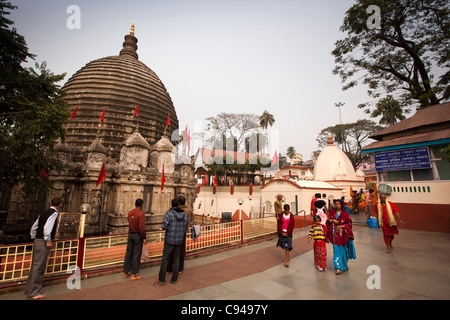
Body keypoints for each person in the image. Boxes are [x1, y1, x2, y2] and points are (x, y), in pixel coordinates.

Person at [25, 197, 61, 300]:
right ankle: (34, 293)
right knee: (39, 266)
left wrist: (34, 237)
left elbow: (34, 227)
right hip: (44, 242)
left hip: (37, 240)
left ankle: (28, 289)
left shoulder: (43, 213)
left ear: (50, 203)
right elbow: (47, 228)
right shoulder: (54, 213)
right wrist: (48, 240)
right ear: (60, 205)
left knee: (34, 265)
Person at [154, 198, 187, 286]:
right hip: (179, 240)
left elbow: (164, 226)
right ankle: (174, 280)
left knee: (165, 259)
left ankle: (161, 280)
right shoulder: (184, 214)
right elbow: (185, 226)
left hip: (169, 240)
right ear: (179, 204)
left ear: (172, 204)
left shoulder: (169, 213)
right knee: (177, 259)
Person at [326, 199, 356, 275]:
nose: (337, 205)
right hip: (335, 236)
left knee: (343, 251)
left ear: (341, 205)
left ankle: (344, 266)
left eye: (339, 204)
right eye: (336, 204)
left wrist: (341, 226)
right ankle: (338, 267)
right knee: (336, 251)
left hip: (343, 236)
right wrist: (332, 220)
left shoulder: (345, 213)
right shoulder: (332, 212)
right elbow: (328, 220)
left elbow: (349, 224)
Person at [167, 195, 192, 274]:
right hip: (182, 232)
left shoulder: (173, 211)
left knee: (171, 251)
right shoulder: (187, 211)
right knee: (181, 251)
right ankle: (179, 269)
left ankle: (169, 269)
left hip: (173, 232)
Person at [123, 199, 146, 281]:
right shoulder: (141, 214)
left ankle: (126, 272)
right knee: (136, 254)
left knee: (128, 253)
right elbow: (142, 228)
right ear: (141, 205)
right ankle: (133, 274)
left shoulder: (130, 213)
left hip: (130, 234)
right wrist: (144, 237)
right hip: (137, 236)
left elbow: (129, 221)